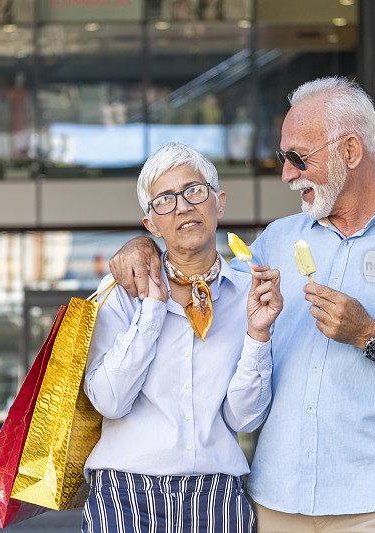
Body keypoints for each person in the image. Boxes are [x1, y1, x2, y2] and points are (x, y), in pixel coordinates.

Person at [108, 77, 375, 532]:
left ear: (351, 153)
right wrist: (143, 247)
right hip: (277, 503)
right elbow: (198, 265)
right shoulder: (276, 240)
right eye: (283, 158)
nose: (286, 174)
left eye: (298, 158)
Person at [82, 142, 283, 533]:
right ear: (151, 225)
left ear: (219, 202)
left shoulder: (249, 293)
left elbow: (244, 418)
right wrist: (152, 312)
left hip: (217, 494)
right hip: (124, 491)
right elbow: (109, 401)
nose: (183, 206)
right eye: (165, 200)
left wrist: (258, 334)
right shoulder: (121, 290)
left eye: (195, 191)